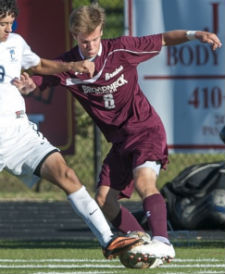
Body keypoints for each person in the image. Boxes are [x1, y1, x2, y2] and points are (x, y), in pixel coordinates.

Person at [15, 2, 222, 266]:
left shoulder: (121, 49)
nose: (90, 45)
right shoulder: (69, 65)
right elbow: (41, 80)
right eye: (84, 40)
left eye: (94, 39)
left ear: (101, 30)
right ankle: (141, 241)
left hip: (146, 130)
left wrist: (196, 34)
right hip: (120, 142)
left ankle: (163, 241)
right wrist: (28, 84)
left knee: (143, 182)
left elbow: (163, 39)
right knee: (103, 199)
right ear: (75, 35)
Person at [0, 0, 143, 260]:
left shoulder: (15, 43)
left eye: (11, 23)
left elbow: (39, 66)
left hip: (20, 133)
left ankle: (108, 239)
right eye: (2, 24)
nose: (8, 30)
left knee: (66, 173)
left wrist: (72, 66)